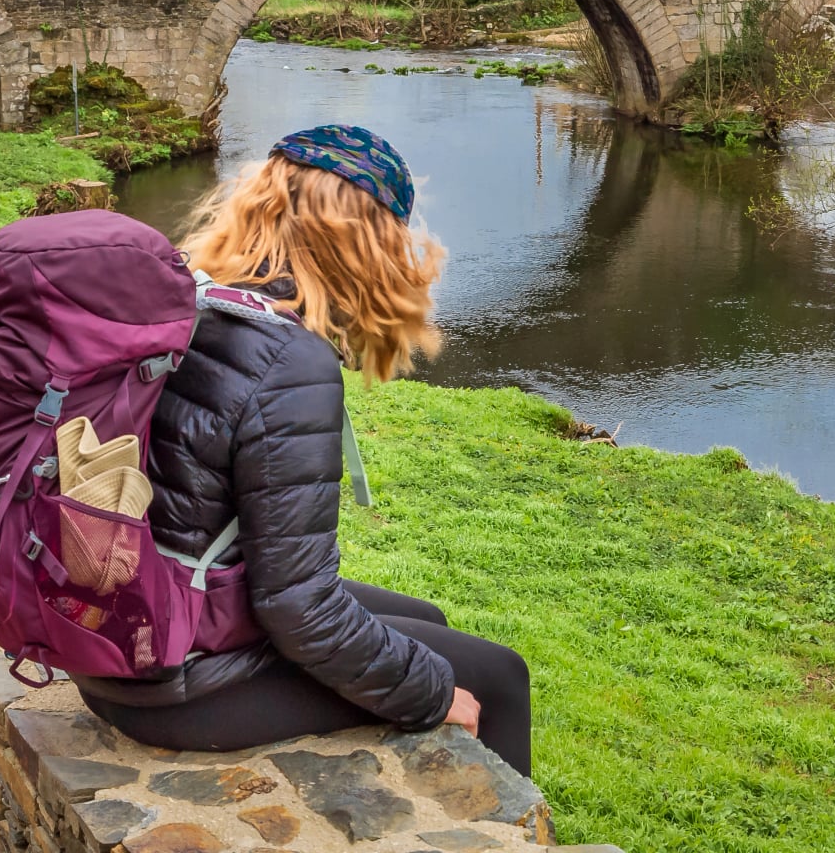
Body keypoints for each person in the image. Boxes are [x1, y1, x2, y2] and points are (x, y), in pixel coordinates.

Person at [71, 125, 533, 776]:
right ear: (363, 241)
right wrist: (433, 694)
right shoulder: (289, 363)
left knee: (425, 620)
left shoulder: (191, 299)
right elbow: (299, 610)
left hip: (116, 644)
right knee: (498, 677)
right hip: (178, 685)